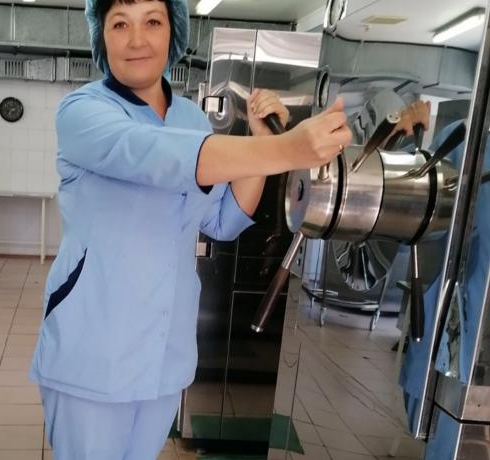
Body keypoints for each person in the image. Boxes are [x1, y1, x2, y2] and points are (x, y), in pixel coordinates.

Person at [28, 0, 352, 458]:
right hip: (94, 351)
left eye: (152, 22)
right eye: (119, 24)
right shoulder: (82, 112)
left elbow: (222, 220)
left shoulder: (191, 120)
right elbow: (155, 154)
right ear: (101, 36)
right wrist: (288, 149)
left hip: (165, 353)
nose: (136, 39)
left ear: (172, 33)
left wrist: (262, 143)